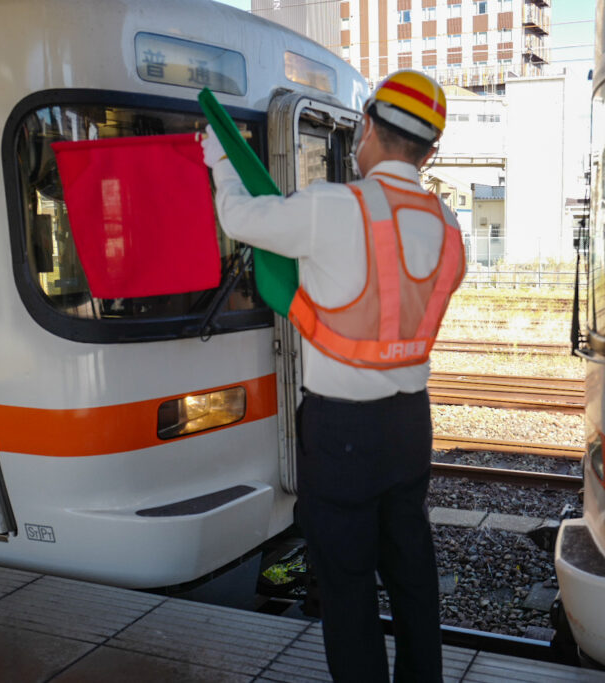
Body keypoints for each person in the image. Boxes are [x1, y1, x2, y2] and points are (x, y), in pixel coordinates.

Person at [201, 70, 464, 682]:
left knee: (346, 586)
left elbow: (241, 216)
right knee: (411, 573)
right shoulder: (451, 229)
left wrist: (219, 157)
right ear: (430, 152)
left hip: (341, 430)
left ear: (368, 128)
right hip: (410, 426)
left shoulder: (334, 208)